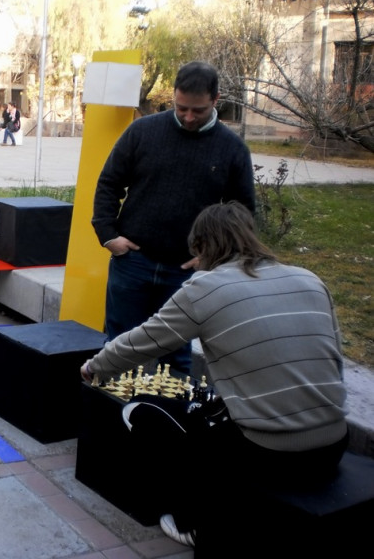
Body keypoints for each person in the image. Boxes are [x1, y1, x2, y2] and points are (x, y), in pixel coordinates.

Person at [80, 202, 348, 551]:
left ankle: (194, 523)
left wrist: (94, 367)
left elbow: (142, 341)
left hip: (266, 453)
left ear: (201, 248)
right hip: (334, 443)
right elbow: (334, 358)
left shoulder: (205, 287)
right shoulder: (310, 279)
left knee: (140, 411)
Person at [91, 61, 255, 375]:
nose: (188, 117)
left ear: (215, 100)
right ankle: (110, 415)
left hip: (187, 271)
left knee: (177, 359)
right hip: (132, 261)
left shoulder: (232, 149)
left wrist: (214, 259)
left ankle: (169, 418)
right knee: (116, 347)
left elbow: (242, 212)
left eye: (198, 110)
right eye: (181, 109)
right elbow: (109, 182)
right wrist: (108, 234)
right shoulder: (143, 131)